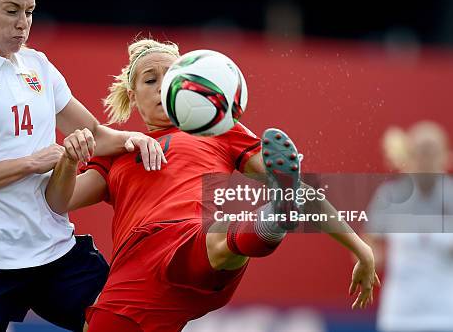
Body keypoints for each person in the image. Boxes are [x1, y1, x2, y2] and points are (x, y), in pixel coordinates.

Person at [46, 38, 381, 331]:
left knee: (220, 234)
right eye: (151, 80)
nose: (163, 86)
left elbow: (300, 189)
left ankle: (275, 216)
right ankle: (273, 216)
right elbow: (62, 200)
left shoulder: (218, 131)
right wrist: (69, 160)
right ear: (133, 96)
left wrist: (359, 248)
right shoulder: (118, 150)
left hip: (197, 243)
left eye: (173, 77)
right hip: (137, 270)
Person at [0, 0, 165, 332]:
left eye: (30, 12)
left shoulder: (37, 65)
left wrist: (134, 138)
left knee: (126, 323)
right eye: (11, 11)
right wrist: (31, 163)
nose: (23, 24)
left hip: (53, 253)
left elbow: (96, 134)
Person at [366, 122, 453, 332]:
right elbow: (369, 244)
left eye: (432, 151)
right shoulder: (390, 196)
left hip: (445, 314)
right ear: (410, 156)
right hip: (399, 315)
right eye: (421, 152)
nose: (427, 159)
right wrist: (369, 262)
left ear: (445, 155)